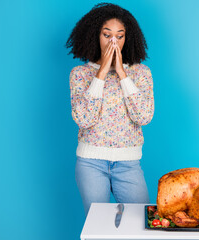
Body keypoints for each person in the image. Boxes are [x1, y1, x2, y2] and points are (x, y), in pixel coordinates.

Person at [65, 2, 154, 216]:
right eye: (107, 35)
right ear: (95, 36)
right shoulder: (79, 74)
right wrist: (101, 73)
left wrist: (122, 74)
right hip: (91, 164)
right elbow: (84, 119)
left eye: (119, 36)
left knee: (142, 224)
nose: (113, 41)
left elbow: (144, 116)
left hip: (129, 163)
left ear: (127, 39)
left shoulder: (141, 73)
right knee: (98, 229)